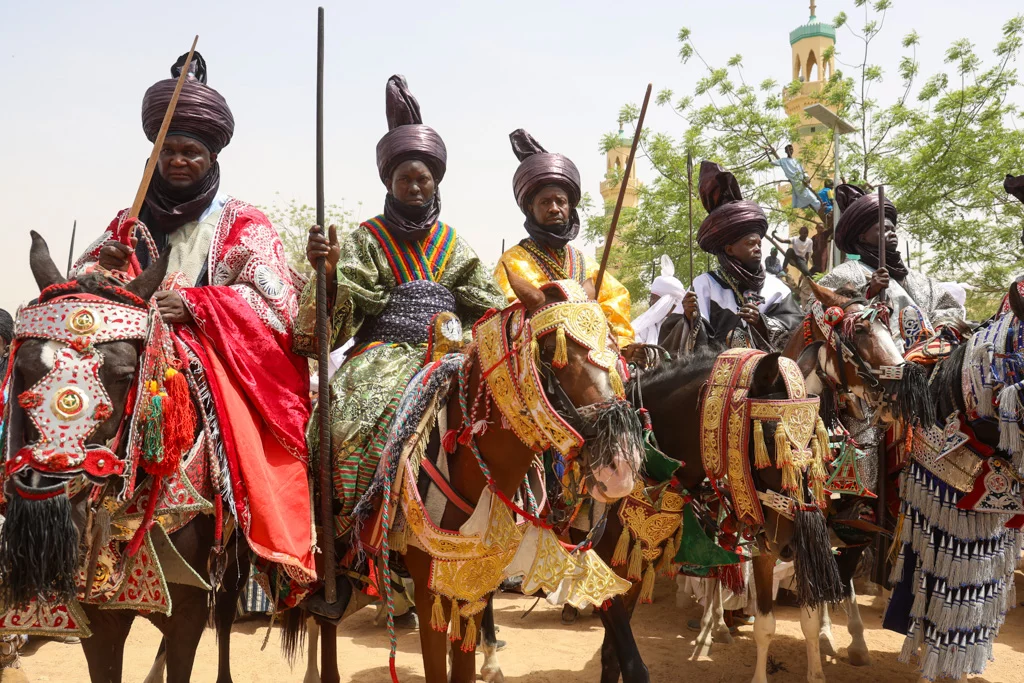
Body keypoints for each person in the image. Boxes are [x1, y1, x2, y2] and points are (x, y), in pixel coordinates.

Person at [72, 53, 316, 592]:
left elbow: (277, 304)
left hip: (206, 357)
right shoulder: (127, 222)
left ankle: (258, 558)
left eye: (192, 152)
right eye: (169, 151)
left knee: (254, 443)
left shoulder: (241, 220)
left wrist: (200, 306)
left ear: (212, 156)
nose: (179, 162)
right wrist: (101, 270)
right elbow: (77, 286)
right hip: (128, 352)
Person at [299, 76, 506, 614]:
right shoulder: (367, 236)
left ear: (437, 183)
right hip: (383, 358)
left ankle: (515, 529)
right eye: (405, 179)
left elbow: (486, 305)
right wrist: (325, 274)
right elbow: (336, 319)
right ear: (389, 183)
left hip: (451, 356)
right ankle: (342, 551)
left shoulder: (453, 241)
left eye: (425, 179)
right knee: (339, 425)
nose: (416, 187)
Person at [495, 129, 633, 349]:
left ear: (570, 207)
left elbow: (616, 302)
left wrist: (621, 344)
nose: (554, 209)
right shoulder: (512, 262)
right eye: (545, 202)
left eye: (561, 201)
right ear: (531, 207)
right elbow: (510, 315)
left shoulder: (587, 265)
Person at [659, 161, 802, 354]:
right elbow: (670, 344)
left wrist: (762, 323)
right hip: (716, 378)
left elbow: (798, 333)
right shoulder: (705, 285)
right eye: (750, 244)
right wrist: (688, 317)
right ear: (729, 249)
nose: (758, 249)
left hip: (768, 379)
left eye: (759, 244)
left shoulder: (776, 289)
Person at [818, 184, 965, 349]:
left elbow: (949, 307)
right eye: (884, 229)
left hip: (928, 356)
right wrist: (869, 293)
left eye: (893, 229)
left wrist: (939, 329)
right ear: (863, 237)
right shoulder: (847, 272)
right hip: (875, 361)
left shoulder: (917, 279)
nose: (892, 233)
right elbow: (818, 306)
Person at [631, 255, 685, 346]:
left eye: (654, 298)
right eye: (651, 298)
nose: (651, 302)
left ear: (669, 301)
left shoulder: (684, 325)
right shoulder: (647, 326)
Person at [766, 144, 824, 220]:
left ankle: (821, 210)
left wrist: (807, 179)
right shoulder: (783, 161)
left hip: (804, 182)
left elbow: (803, 171)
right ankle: (820, 209)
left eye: (791, 149)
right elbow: (771, 162)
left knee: (813, 195)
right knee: (811, 197)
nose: (790, 151)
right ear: (785, 151)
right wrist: (767, 153)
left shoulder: (797, 161)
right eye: (788, 150)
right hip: (796, 183)